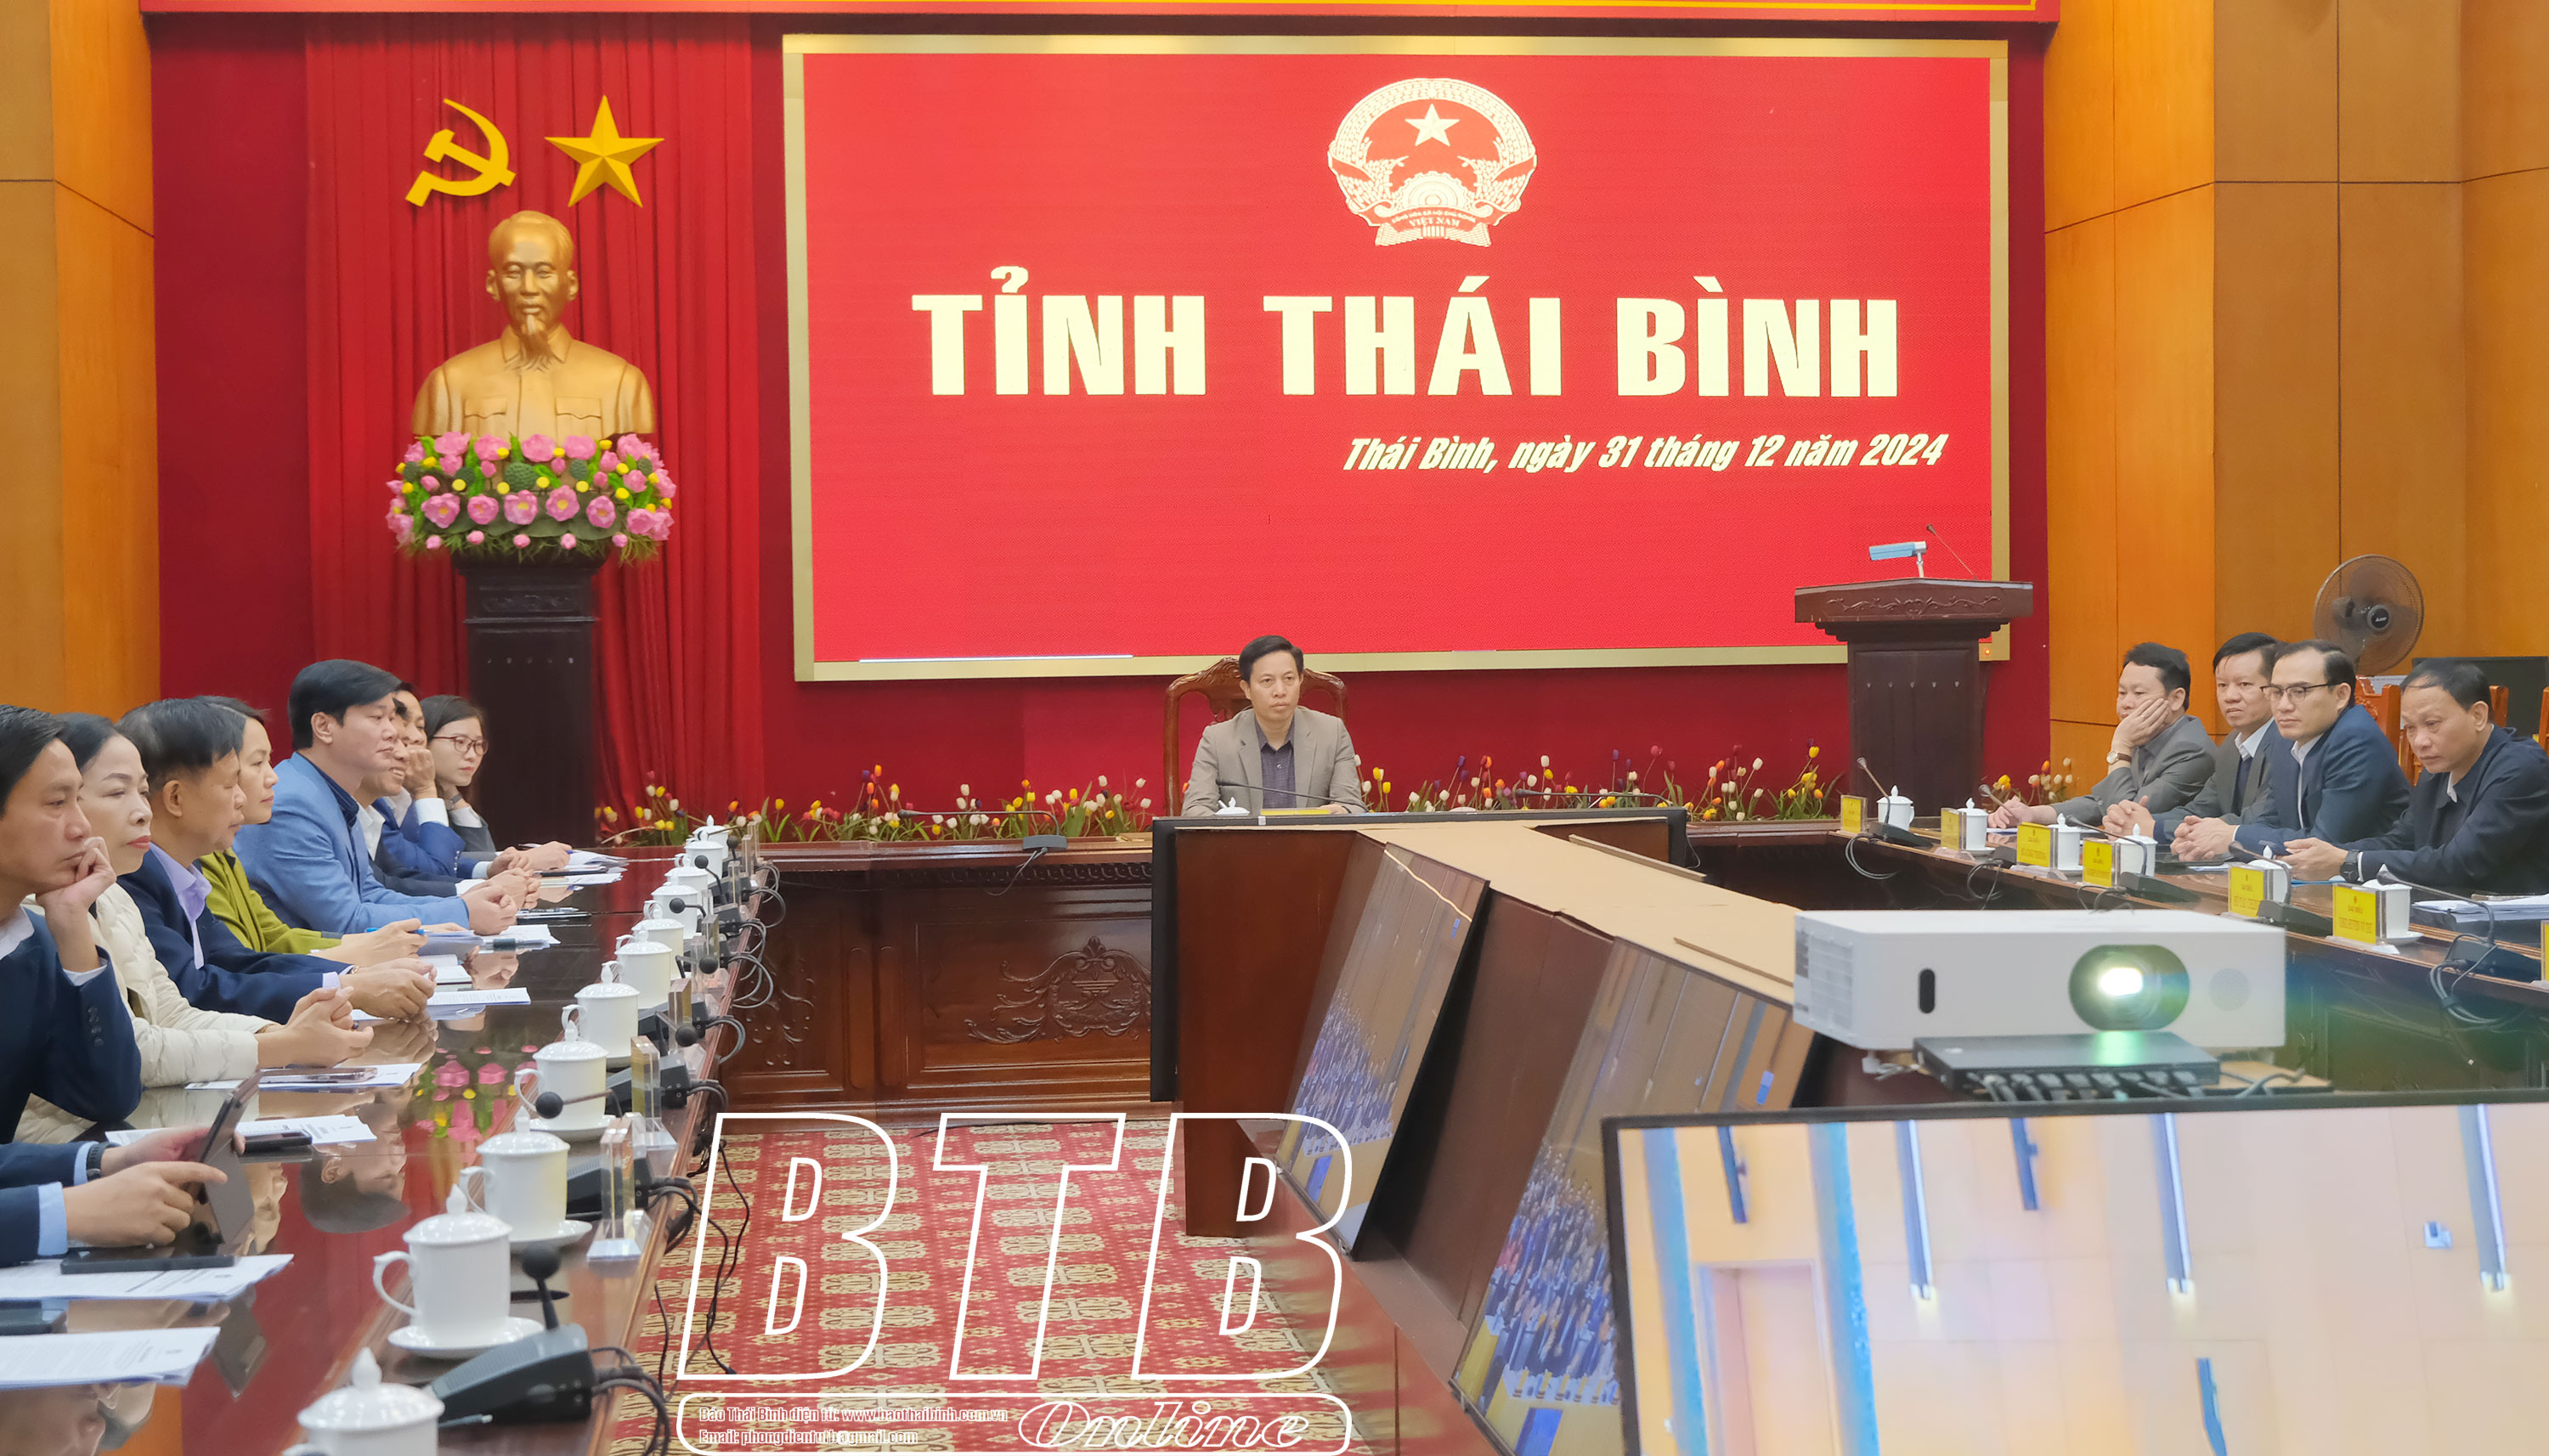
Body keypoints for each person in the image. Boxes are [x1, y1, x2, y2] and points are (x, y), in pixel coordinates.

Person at [15, 718, 369, 1144]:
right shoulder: (38, 916)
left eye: (142, 791)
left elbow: (175, 1012)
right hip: (64, 1150)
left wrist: (280, 1034)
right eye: (115, 793)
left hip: (114, 1137)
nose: (143, 810)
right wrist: (284, 1046)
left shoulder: (112, 897)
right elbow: (137, 1052)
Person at [0, 704, 231, 1263]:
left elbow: (108, 1094)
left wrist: (109, 1162)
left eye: (79, 801)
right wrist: (66, 1213)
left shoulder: (31, 939)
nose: (82, 828)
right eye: (57, 803)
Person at [119, 698, 436, 1024]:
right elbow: (197, 990)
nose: (243, 796)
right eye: (232, 783)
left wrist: (350, 974)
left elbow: (238, 960)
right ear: (174, 797)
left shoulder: (189, 865)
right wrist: (349, 983)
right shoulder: (134, 877)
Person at [234, 660, 520, 935]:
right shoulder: (294, 805)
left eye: (392, 718)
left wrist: (464, 904)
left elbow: (370, 894)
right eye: (377, 717)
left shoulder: (331, 793)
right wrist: (463, 912)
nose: (393, 732)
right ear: (324, 727)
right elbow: (346, 920)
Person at [2278, 659, 2549, 894]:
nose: (2419, 742)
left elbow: (2459, 863)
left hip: (2516, 927)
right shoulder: (2439, 770)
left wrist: (2348, 862)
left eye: (2432, 724)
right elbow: (2401, 841)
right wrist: (2328, 854)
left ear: (2478, 715)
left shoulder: (2520, 768)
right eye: (2410, 728)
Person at [196, 696, 424, 967]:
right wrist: (359, 956)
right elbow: (237, 967)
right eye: (257, 764)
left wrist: (375, 943)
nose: (273, 777)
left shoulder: (222, 851)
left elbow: (276, 936)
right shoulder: (292, 806)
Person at [2208, 641, 2411, 858]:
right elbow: (2270, 820)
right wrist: (2218, 838)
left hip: (2370, 873)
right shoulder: (2285, 739)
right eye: (2276, 692)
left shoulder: (2356, 740)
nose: (2283, 706)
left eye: (2299, 691)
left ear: (2341, 695)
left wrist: (2235, 836)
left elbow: (2323, 843)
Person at [1992, 643, 2214, 827]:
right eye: (2122, 693)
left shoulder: (2192, 751)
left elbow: (2124, 816)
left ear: (2176, 699)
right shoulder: (2148, 734)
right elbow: (2102, 802)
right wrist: (2033, 814)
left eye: (2139, 693)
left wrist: (2121, 746)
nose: (2126, 703)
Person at [2105, 633, 2292, 849]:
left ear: (2275, 689)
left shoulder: (2288, 744)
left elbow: (2254, 821)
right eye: (2222, 685)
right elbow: (2200, 810)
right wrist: (2140, 823)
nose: (2230, 696)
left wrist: (2154, 828)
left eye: (2244, 684)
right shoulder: (2232, 745)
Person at [1181, 636, 1364, 815]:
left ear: (1300, 680)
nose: (1280, 691)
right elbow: (1195, 809)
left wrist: (1342, 811)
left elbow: (1353, 805)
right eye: (1267, 681)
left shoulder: (1331, 732)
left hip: (1313, 836)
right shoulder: (1217, 740)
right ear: (1247, 689)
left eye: (1289, 679)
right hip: (1243, 837)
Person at [421, 695, 572, 870]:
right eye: (460, 742)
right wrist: (522, 858)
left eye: (478, 744)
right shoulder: (410, 801)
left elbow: (481, 853)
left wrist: (455, 797)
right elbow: (435, 863)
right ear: (424, 740)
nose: (472, 755)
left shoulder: (448, 797)